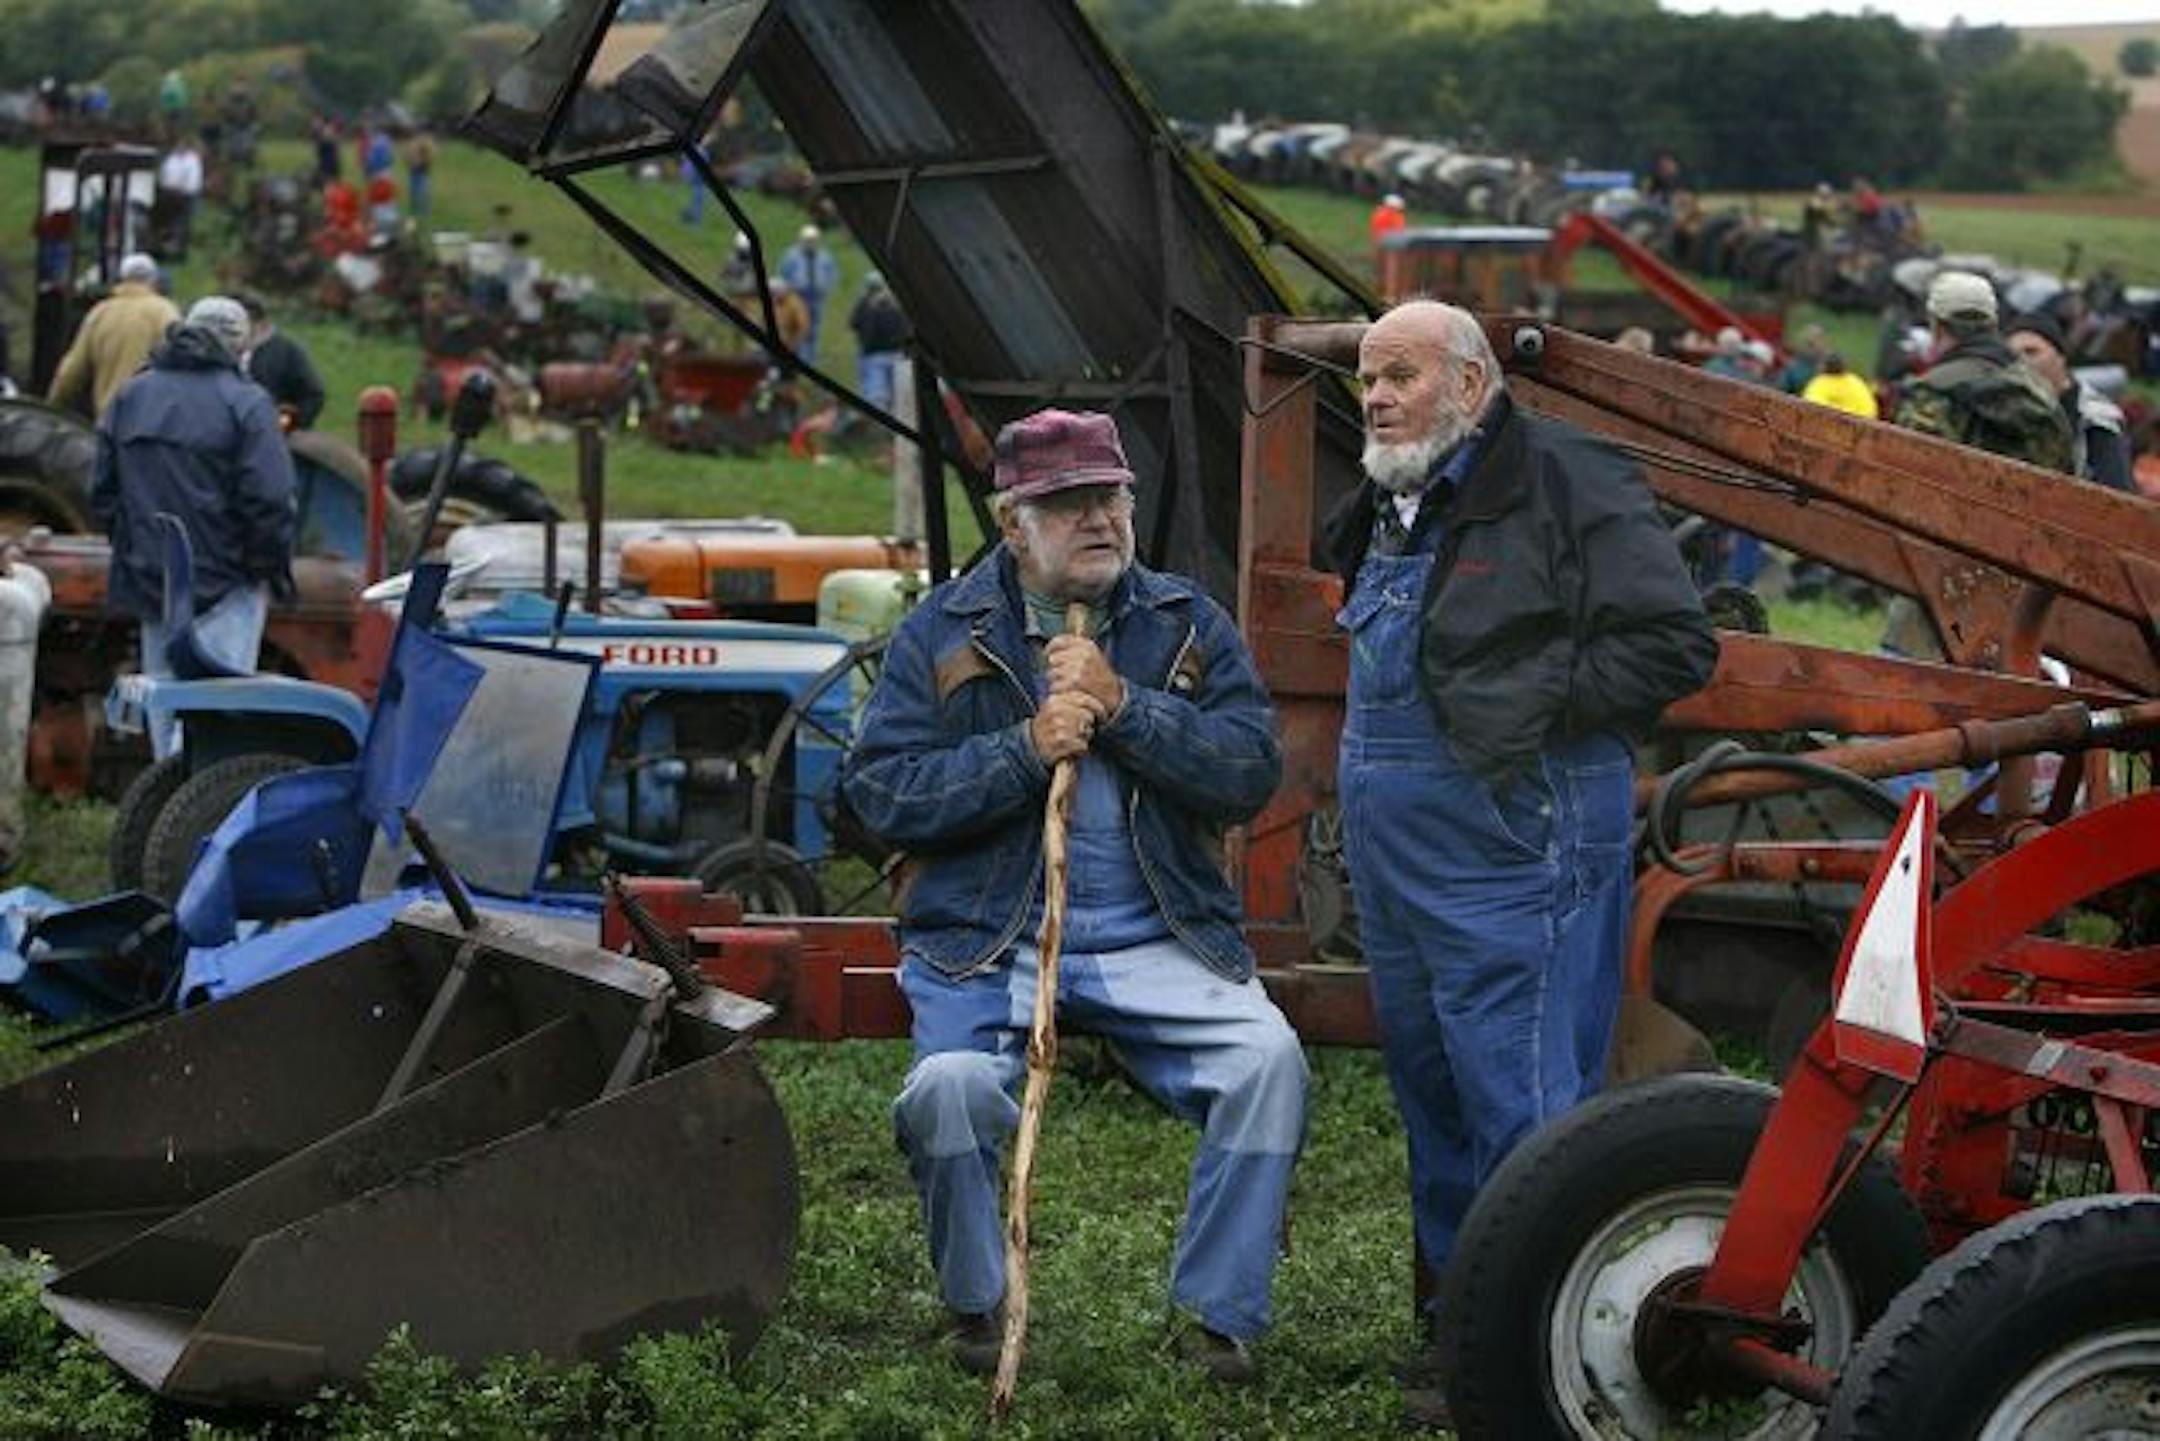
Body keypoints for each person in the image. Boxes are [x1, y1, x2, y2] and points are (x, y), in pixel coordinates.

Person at [842, 408, 1303, 1385]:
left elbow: (1250, 771)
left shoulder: (1185, 623)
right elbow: (881, 791)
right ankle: (977, 1304)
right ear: (1015, 522)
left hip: (1160, 934)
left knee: (1269, 1064)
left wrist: (1126, 707)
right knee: (947, 1091)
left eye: (1111, 495)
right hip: (990, 939)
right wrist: (1023, 750)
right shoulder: (944, 629)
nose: (1098, 518)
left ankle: (1214, 1320)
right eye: (1067, 502)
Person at [1328, 300, 1716, 1427]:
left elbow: (1674, 645)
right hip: (1400, 866)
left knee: (1526, 1109)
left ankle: (1532, 1360)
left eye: (1399, 374)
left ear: (1471, 381)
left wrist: (1527, 714)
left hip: (1516, 844)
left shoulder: (1565, 477)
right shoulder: (1396, 498)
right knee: (1438, 1097)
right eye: (1365, 379)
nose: (1378, 397)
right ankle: (1465, 1330)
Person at [89, 297, 295, 680]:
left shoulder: (131, 396)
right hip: (228, 588)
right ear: (240, 346)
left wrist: (137, 553)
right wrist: (263, 571)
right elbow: (270, 500)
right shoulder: (246, 404)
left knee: (164, 710)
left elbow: (103, 493)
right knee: (217, 718)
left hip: (154, 585)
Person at [1884, 273, 2074, 660]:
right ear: (1992, 323)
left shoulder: (1933, 392)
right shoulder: (2038, 390)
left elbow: (1905, 488)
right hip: (2023, 585)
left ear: (1937, 325)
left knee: (1899, 675)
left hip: (1941, 580)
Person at [2005, 311, 2133, 494]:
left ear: (2061, 358)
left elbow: (2117, 494)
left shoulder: (2095, 418)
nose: (2022, 363)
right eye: (2012, 356)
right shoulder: (2007, 407)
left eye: (2032, 352)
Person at [47, 253, 182, 421]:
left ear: (122, 278)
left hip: (109, 419)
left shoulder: (100, 313)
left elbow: (72, 372)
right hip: (151, 421)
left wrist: (53, 407)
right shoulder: (165, 312)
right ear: (153, 279)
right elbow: (179, 366)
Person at [238, 294, 325, 430]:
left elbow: (312, 395)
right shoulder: (220, 351)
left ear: (260, 323)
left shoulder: (287, 351)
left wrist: (287, 422)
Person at [848, 271, 909, 413]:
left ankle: (879, 426)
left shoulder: (864, 304)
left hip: (873, 356)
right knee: (894, 395)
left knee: (876, 395)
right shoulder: (896, 302)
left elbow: (853, 323)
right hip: (895, 354)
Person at [777, 224, 838, 362]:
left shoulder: (825, 256)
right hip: (798, 294)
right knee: (800, 325)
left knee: (815, 326)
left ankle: (810, 356)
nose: (811, 243)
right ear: (801, 240)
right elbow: (782, 274)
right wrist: (787, 292)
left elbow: (832, 274)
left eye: (813, 240)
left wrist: (827, 288)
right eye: (808, 240)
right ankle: (799, 355)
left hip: (817, 296)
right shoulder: (791, 255)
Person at [156, 137, 205, 261]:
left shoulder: (192, 160)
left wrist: (182, 190)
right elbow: (164, 176)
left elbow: (193, 182)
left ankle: (178, 253)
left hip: (185, 196)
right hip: (169, 195)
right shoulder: (171, 159)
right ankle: (165, 249)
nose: (179, 147)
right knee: (166, 224)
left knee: (181, 224)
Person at [1802, 353, 1879, 420]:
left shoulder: (1820, 383)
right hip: (1866, 426)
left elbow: (1812, 408)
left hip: (1839, 429)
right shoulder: (1855, 380)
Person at [403, 128, 436, 222]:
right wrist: (408, 162)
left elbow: (430, 155)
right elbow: (407, 155)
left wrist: (423, 162)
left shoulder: (424, 142)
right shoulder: (412, 143)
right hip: (414, 171)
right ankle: (415, 213)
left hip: (422, 171)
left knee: (423, 192)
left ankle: (424, 213)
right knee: (414, 192)